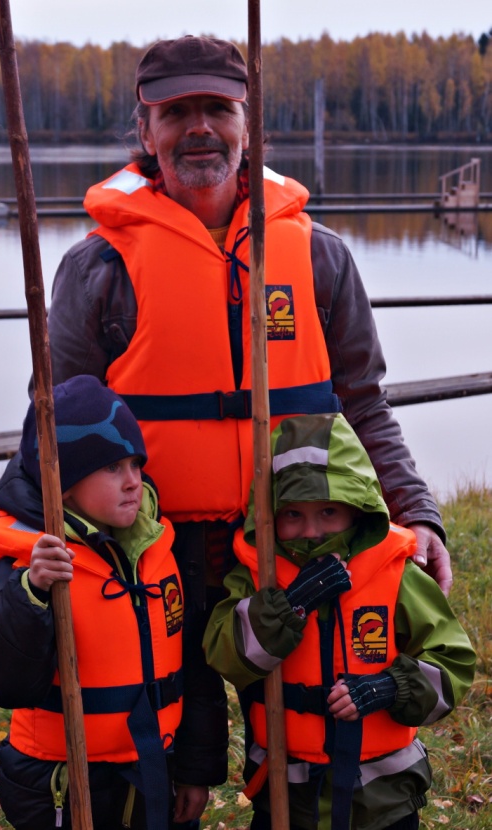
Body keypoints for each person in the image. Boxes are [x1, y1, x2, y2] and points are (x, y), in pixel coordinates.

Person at [35, 34, 452, 787]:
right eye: (177, 112)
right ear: (145, 130)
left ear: (247, 123)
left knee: (301, 757)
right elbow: (55, 424)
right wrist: (19, 548)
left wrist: (416, 512)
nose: (200, 128)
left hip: (295, 539)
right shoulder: (96, 268)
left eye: (218, 109)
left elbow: (362, 401)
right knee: (173, 774)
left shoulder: (319, 255)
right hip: (157, 556)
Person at [203, 412, 475, 830]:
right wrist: (289, 604)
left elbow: (453, 662)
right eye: (292, 514)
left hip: (382, 801)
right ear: (270, 514)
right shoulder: (259, 575)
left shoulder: (395, 572)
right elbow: (223, 654)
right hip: (285, 797)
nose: (311, 530)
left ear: (358, 508)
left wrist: (389, 686)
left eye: (328, 511)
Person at [0, 375, 208, 830]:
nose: (133, 482)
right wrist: (32, 593)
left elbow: (190, 671)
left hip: (156, 771)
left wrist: (198, 769)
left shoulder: (155, 552)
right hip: (60, 783)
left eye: (136, 465)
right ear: (65, 483)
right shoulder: (29, 561)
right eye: (112, 467)